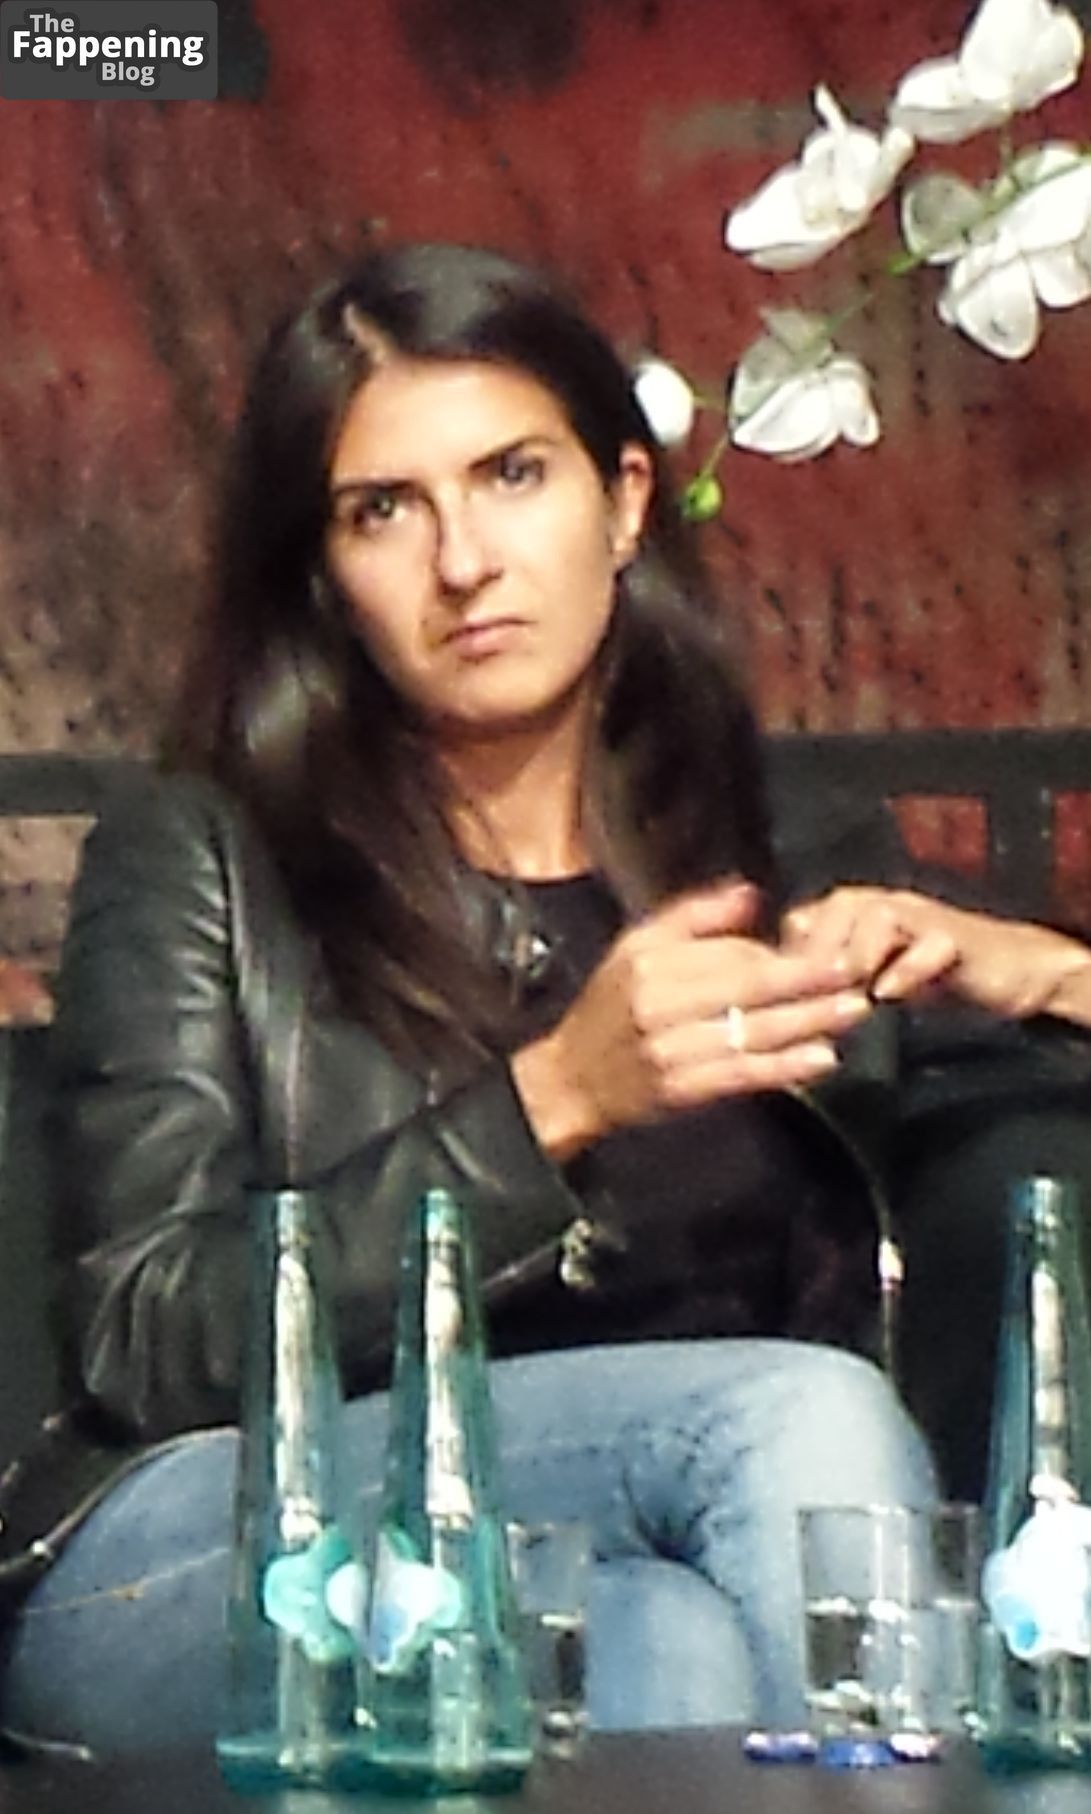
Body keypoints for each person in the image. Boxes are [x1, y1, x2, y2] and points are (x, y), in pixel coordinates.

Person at [2, 242, 1090, 1755]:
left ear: (624, 501)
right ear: (324, 574)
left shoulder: (776, 848)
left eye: (513, 475)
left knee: (657, 1643)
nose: (463, 561)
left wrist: (1047, 971)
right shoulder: (202, 855)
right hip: (235, 1540)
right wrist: (551, 1103)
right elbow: (144, 1336)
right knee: (797, 1415)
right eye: (385, 510)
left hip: (652, 1560)